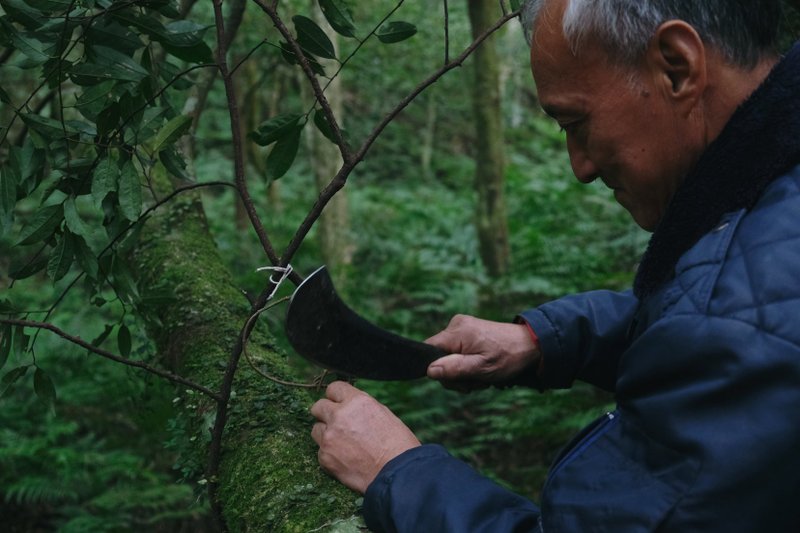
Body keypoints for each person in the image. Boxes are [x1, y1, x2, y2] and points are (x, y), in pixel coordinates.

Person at [310, 0, 800, 530]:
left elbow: (733, 324)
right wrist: (546, 340)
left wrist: (397, 471)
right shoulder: (772, 193)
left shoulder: (732, 328)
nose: (580, 166)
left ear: (677, 68)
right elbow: (742, 303)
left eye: (576, 121)